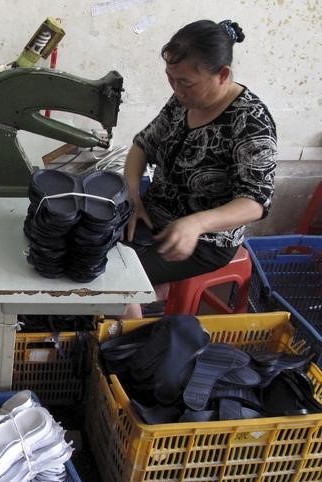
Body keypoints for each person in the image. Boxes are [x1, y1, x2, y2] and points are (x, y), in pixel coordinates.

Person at [123, 19, 276, 318]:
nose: (177, 89)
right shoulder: (183, 100)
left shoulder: (251, 123)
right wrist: (133, 197)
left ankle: (126, 356)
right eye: (171, 79)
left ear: (223, 75)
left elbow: (255, 202)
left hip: (206, 240)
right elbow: (142, 146)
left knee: (120, 281)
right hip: (155, 216)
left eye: (186, 82)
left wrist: (196, 224)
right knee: (90, 247)